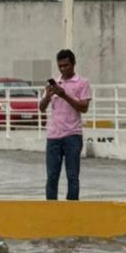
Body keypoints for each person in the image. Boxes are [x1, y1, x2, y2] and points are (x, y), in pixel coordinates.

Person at [38, 49, 91, 200]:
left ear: (73, 64)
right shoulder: (55, 83)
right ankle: (51, 208)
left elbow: (84, 108)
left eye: (66, 65)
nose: (63, 69)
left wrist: (64, 95)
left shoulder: (82, 83)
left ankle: (72, 207)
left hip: (72, 135)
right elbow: (41, 109)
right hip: (53, 136)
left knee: (72, 176)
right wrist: (48, 96)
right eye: (60, 66)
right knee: (52, 177)